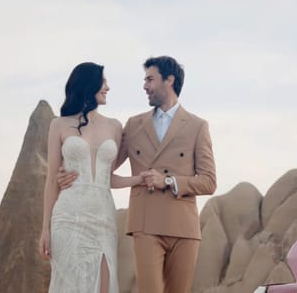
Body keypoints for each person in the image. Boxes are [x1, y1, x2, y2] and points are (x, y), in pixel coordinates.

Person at [59, 56, 217, 293]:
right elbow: (104, 170)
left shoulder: (197, 126)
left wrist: (168, 181)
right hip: (146, 225)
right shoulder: (133, 125)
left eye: (150, 79)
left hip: (184, 227)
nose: (144, 86)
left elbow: (209, 181)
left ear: (169, 80)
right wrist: (72, 171)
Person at [39, 62, 142, 293]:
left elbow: (108, 178)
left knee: (105, 285)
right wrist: (45, 229)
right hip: (67, 219)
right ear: (88, 84)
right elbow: (51, 180)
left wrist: (138, 179)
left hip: (103, 220)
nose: (107, 87)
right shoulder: (59, 124)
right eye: (103, 82)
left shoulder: (115, 127)